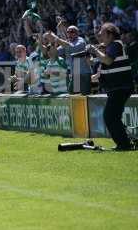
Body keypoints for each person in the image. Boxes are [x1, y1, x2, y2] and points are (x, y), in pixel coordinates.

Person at [88, 23, 136, 151]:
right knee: (113, 116)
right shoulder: (111, 47)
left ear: (110, 34)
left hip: (120, 87)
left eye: (102, 33)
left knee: (110, 116)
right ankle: (125, 143)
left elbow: (108, 60)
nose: (99, 35)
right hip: (118, 88)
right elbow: (105, 67)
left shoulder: (116, 44)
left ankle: (124, 144)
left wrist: (95, 51)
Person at [48, 26, 92, 95]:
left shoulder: (81, 40)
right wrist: (53, 43)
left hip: (84, 73)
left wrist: (57, 38)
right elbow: (54, 54)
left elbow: (72, 47)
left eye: (72, 32)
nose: (69, 34)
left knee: (85, 96)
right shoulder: (66, 42)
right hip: (75, 74)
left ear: (77, 33)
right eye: (68, 32)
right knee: (72, 94)